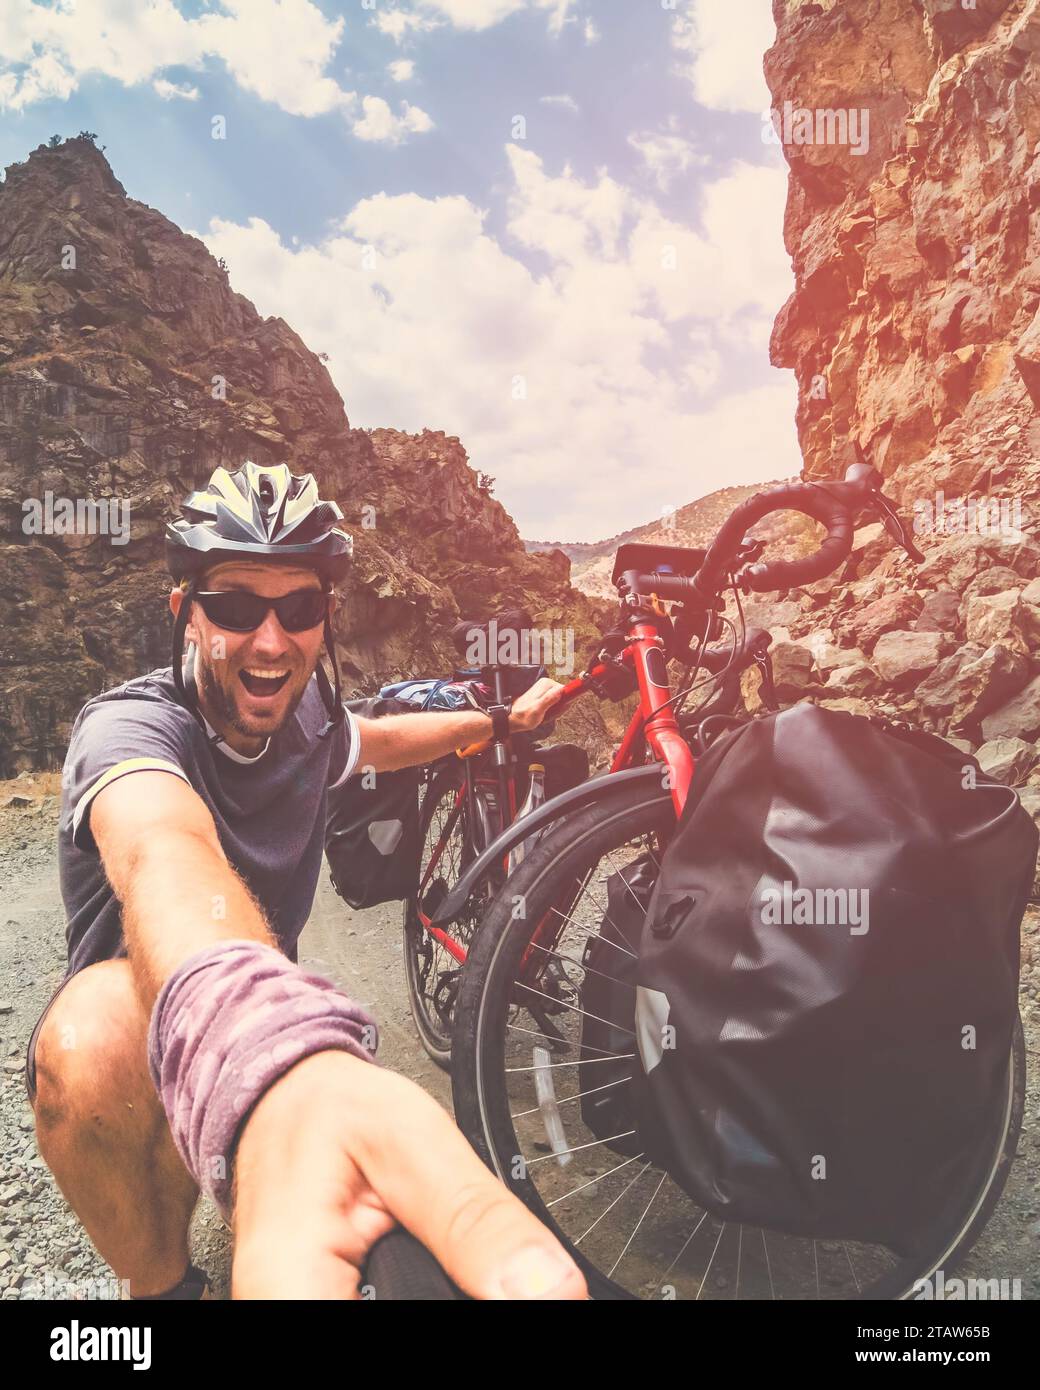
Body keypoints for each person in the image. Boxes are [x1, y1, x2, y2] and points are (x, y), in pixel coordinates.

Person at [25, 461, 585, 1301]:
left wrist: (498, 722)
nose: (271, 640)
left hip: (254, 1015)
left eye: (300, 607)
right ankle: (162, 1288)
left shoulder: (308, 719)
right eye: (237, 606)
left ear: (326, 617)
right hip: (158, 1028)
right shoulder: (130, 728)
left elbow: (382, 740)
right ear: (186, 615)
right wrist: (269, 1043)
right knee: (91, 1033)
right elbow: (158, 848)